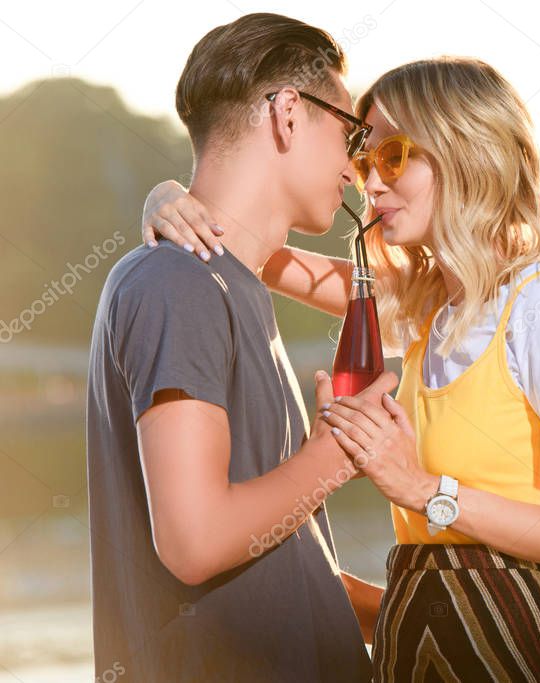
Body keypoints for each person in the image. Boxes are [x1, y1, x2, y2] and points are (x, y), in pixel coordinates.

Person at [143, 57, 540, 682]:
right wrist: (169, 200)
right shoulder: (428, 307)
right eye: (365, 162)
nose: (368, 185)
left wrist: (427, 492)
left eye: (393, 157)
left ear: (467, 150)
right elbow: (252, 251)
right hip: (407, 647)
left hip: (512, 648)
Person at [87, 13, 384, 681]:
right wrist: (339, 452)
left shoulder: (226, 284)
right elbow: (197, 545)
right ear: (286, 114)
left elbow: (281, 565)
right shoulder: (176, 283)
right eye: (351, 134)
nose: (355, 165)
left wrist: (424, 617)